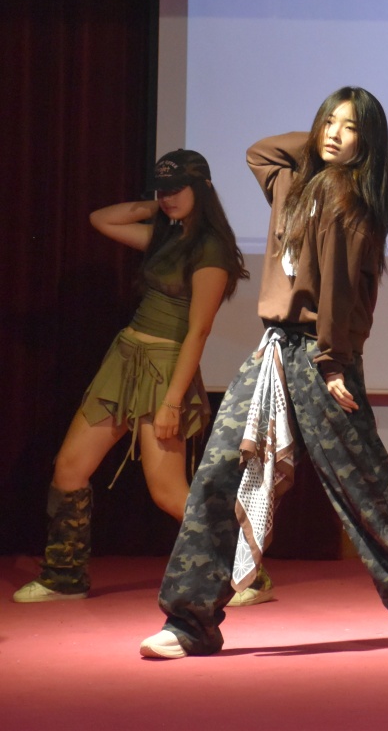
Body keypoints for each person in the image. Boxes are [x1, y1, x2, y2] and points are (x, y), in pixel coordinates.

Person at [140, 87, 388, 661]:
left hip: (323, 357)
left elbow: (342, 292)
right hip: (274, 350)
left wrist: (334, 363)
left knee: (365, 491)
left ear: (368, 142)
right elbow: (260, 152)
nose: (334, 134)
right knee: (219, 472)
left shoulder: (349, 201)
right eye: (329, 122)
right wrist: (323, 141)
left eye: (351, 128)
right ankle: (190, 622)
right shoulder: (292, 183)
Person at [13, 150, 247, 603]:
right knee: (69, 468)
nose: (168, 196)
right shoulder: (165, 235)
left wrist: (173, 402)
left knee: (167, 493)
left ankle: (247, 571)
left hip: (165, 370)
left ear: (203, 189)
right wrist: (154, 205)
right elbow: (101, 219)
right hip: (124, 360)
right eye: (162, 188)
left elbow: (198, 331)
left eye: (177, 188)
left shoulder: (211, 249)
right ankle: (64, 578)